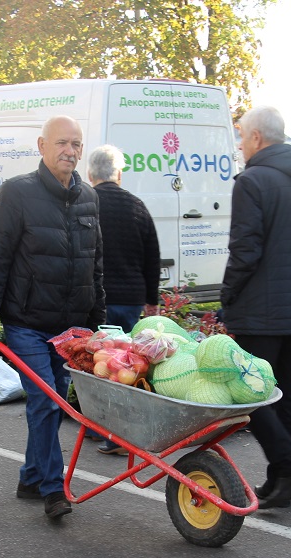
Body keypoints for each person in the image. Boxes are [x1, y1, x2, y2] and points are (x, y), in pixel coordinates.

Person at [0, 116, 105, 520]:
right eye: (63, 143)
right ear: (42, 146)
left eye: (77, 144)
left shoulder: (89, 199)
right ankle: (53, 487)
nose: (71, 151)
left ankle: (30, 475)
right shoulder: (17, 193)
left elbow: (95, 264)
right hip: (26, 321)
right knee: (46, 403)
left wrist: (98, 321)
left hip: (69, 328)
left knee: (55, 401)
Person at [220, 106, 291, 510]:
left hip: (261, 314)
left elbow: (244, 252)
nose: (241, 145)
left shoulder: (252, 182)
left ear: (256, 139)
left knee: (248, 394)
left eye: (242, 136)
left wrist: (227, 296)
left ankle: (290, 465)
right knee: (290, 396)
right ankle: (281, 482)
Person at [85, 145, 161, 453]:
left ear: (90, 175)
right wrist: (151, 300)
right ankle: (119, 433)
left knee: (96, 365)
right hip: (130, 299)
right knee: (127, 365)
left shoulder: (85, 204)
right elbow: (152, 257)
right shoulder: (137, 206)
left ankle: (100, 427)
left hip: (95, 300)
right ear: (119, 173)